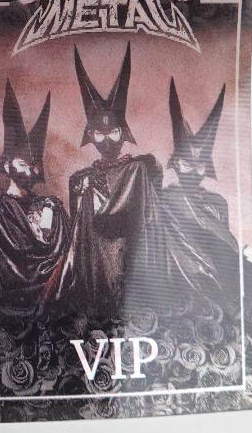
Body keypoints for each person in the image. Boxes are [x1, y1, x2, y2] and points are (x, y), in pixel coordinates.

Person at [49, 44, 164, 320]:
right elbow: (78, 234)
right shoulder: (82, 180)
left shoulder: (137, 169)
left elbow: (152, 211)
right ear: (90, 136)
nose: (107, 140)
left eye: (113, 132)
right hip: (97, 266)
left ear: (123, 132)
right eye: (99, 134)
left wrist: (149, 169)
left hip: (131, 259)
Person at [0, 81, 70, 319]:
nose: (29, 171)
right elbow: (13, 260)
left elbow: (65, 255)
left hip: (54, 303)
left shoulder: (52, 206)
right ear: (7, 164)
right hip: (13, 306)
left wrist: (50, 217)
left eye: (33, 166)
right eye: (22, 164)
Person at [159, 79, 241, 301]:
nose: (194, 172)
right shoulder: (165, 199)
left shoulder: (217, 202)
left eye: (200, 166)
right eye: (187, 164)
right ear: (176, 163)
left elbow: (225, 248)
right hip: (180, 280)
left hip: (221, 279)